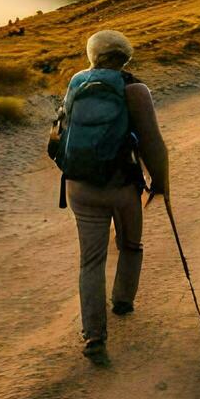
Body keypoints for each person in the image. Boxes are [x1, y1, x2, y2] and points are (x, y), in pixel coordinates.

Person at [49, 29, 168, 362]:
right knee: (130, 244)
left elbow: (58, 135)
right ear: (126, 57)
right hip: (121, 188)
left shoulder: (76, 83)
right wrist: (160, 183)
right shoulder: (135, 90)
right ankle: (123, 301)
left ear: (92, 55)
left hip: (79, 187)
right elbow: (152, 143)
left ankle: (95, 338)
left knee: (91, 261)